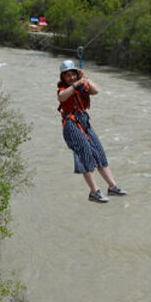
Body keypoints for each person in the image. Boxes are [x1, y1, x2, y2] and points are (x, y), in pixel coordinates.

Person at [57, 59, 127, 203]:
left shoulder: (82, 85)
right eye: (67, 75)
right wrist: (76, 84)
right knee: (85, 154)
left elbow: (96, 90)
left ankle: (112, 186)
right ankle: (94, 192)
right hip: (71, 125)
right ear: (63, 77)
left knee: (99, 152)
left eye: (73, 75)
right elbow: (61, 97)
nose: (71, 77)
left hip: (84, 121)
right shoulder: (64, 90)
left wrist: (85, 79)